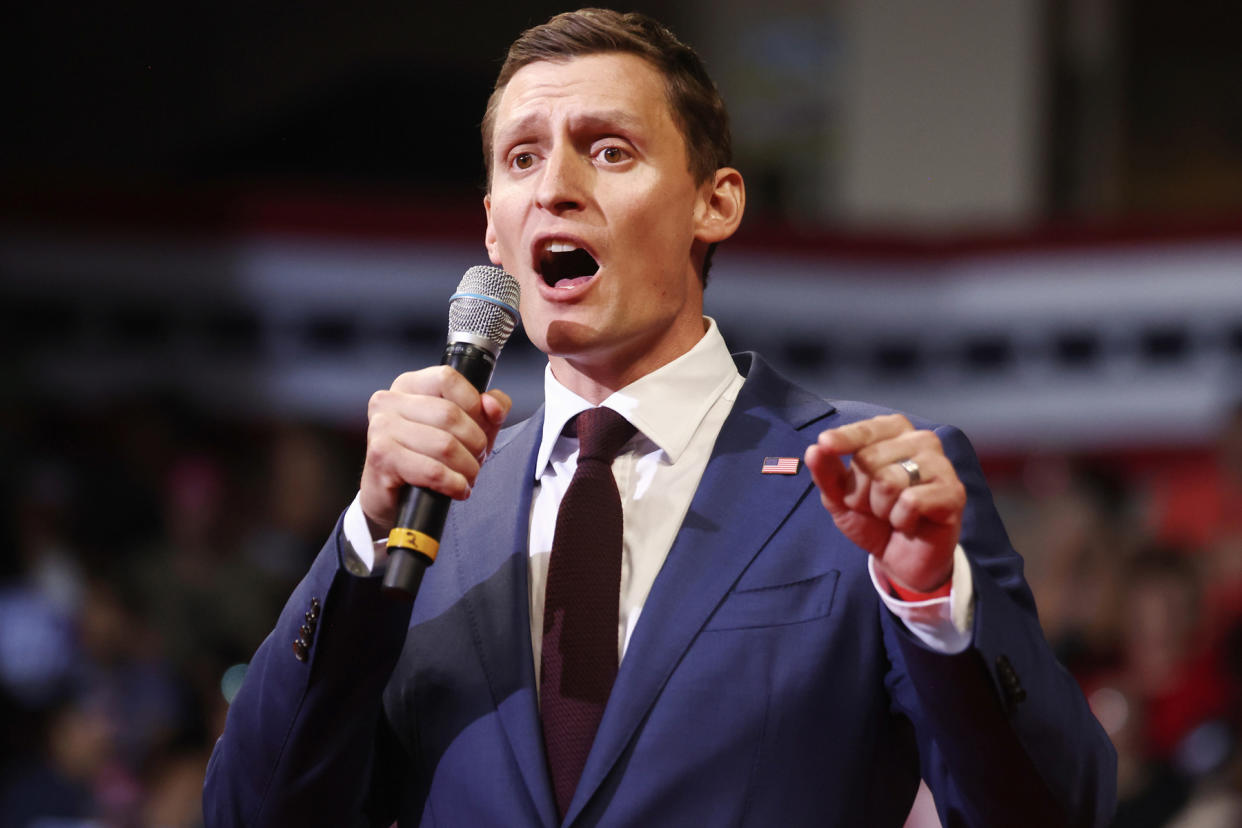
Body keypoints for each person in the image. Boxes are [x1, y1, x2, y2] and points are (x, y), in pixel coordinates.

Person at [203, 9, 1116, 826]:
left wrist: (928, 601)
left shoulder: (859, 485)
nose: (555, 185)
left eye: (607, 150)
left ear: (714, 202)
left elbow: (1056, 808)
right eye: (523, 158)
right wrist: (363, 542)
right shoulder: (430, 511)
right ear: (494, 229)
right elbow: (252, 811)